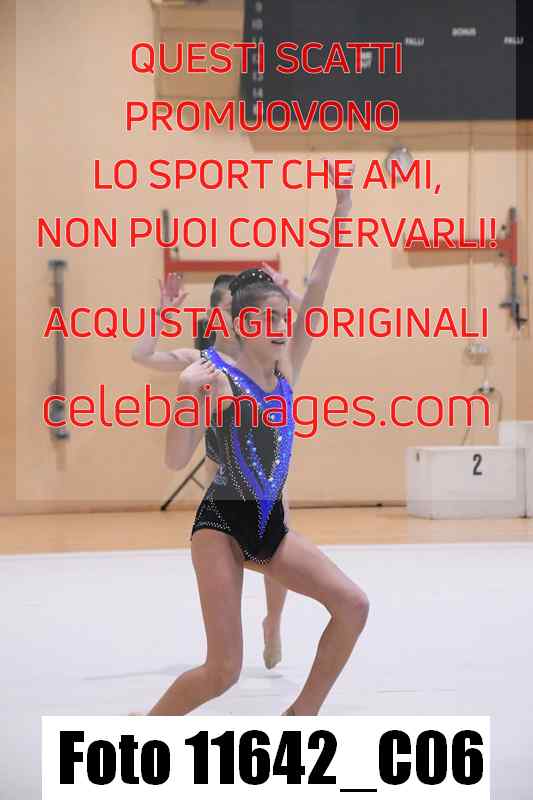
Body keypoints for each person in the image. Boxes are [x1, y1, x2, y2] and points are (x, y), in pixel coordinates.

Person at [147, 162, 370, 716]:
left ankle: (301, 715)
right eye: (268, 319)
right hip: (221, 524)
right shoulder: (211, 374)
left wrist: (343, 209)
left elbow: (318, 285)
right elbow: (176, 459)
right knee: (222, 671)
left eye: (284, 318)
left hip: (268, 525)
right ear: (242, 325)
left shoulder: (288, 365)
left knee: (353, 605)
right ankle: (144, 734)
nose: (281, 326)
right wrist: (184, 395)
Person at [132, 266, 302, 669]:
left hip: (268, 480)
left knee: (277, 555)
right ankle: (228, 641)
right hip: (224, 481)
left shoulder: (267, 358)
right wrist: (161, 315)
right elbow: (141, 355)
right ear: (217, 316)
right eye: (226, 308)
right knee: (228, 566)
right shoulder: (203, 361)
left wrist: (286, 295)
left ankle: (274, 622)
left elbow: (307, 323)